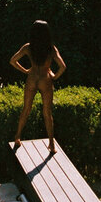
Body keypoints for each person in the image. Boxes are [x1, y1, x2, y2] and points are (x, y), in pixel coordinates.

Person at [10, 20, 66, 154]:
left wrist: (26, 71)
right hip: (45, 80)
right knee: (47, 113)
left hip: (32, 78)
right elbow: (63, 66)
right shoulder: (51, 49)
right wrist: (54, 76)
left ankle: (17, 137)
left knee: (26, 109)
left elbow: (12, 61)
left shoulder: (28, 47)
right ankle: (51, 144)